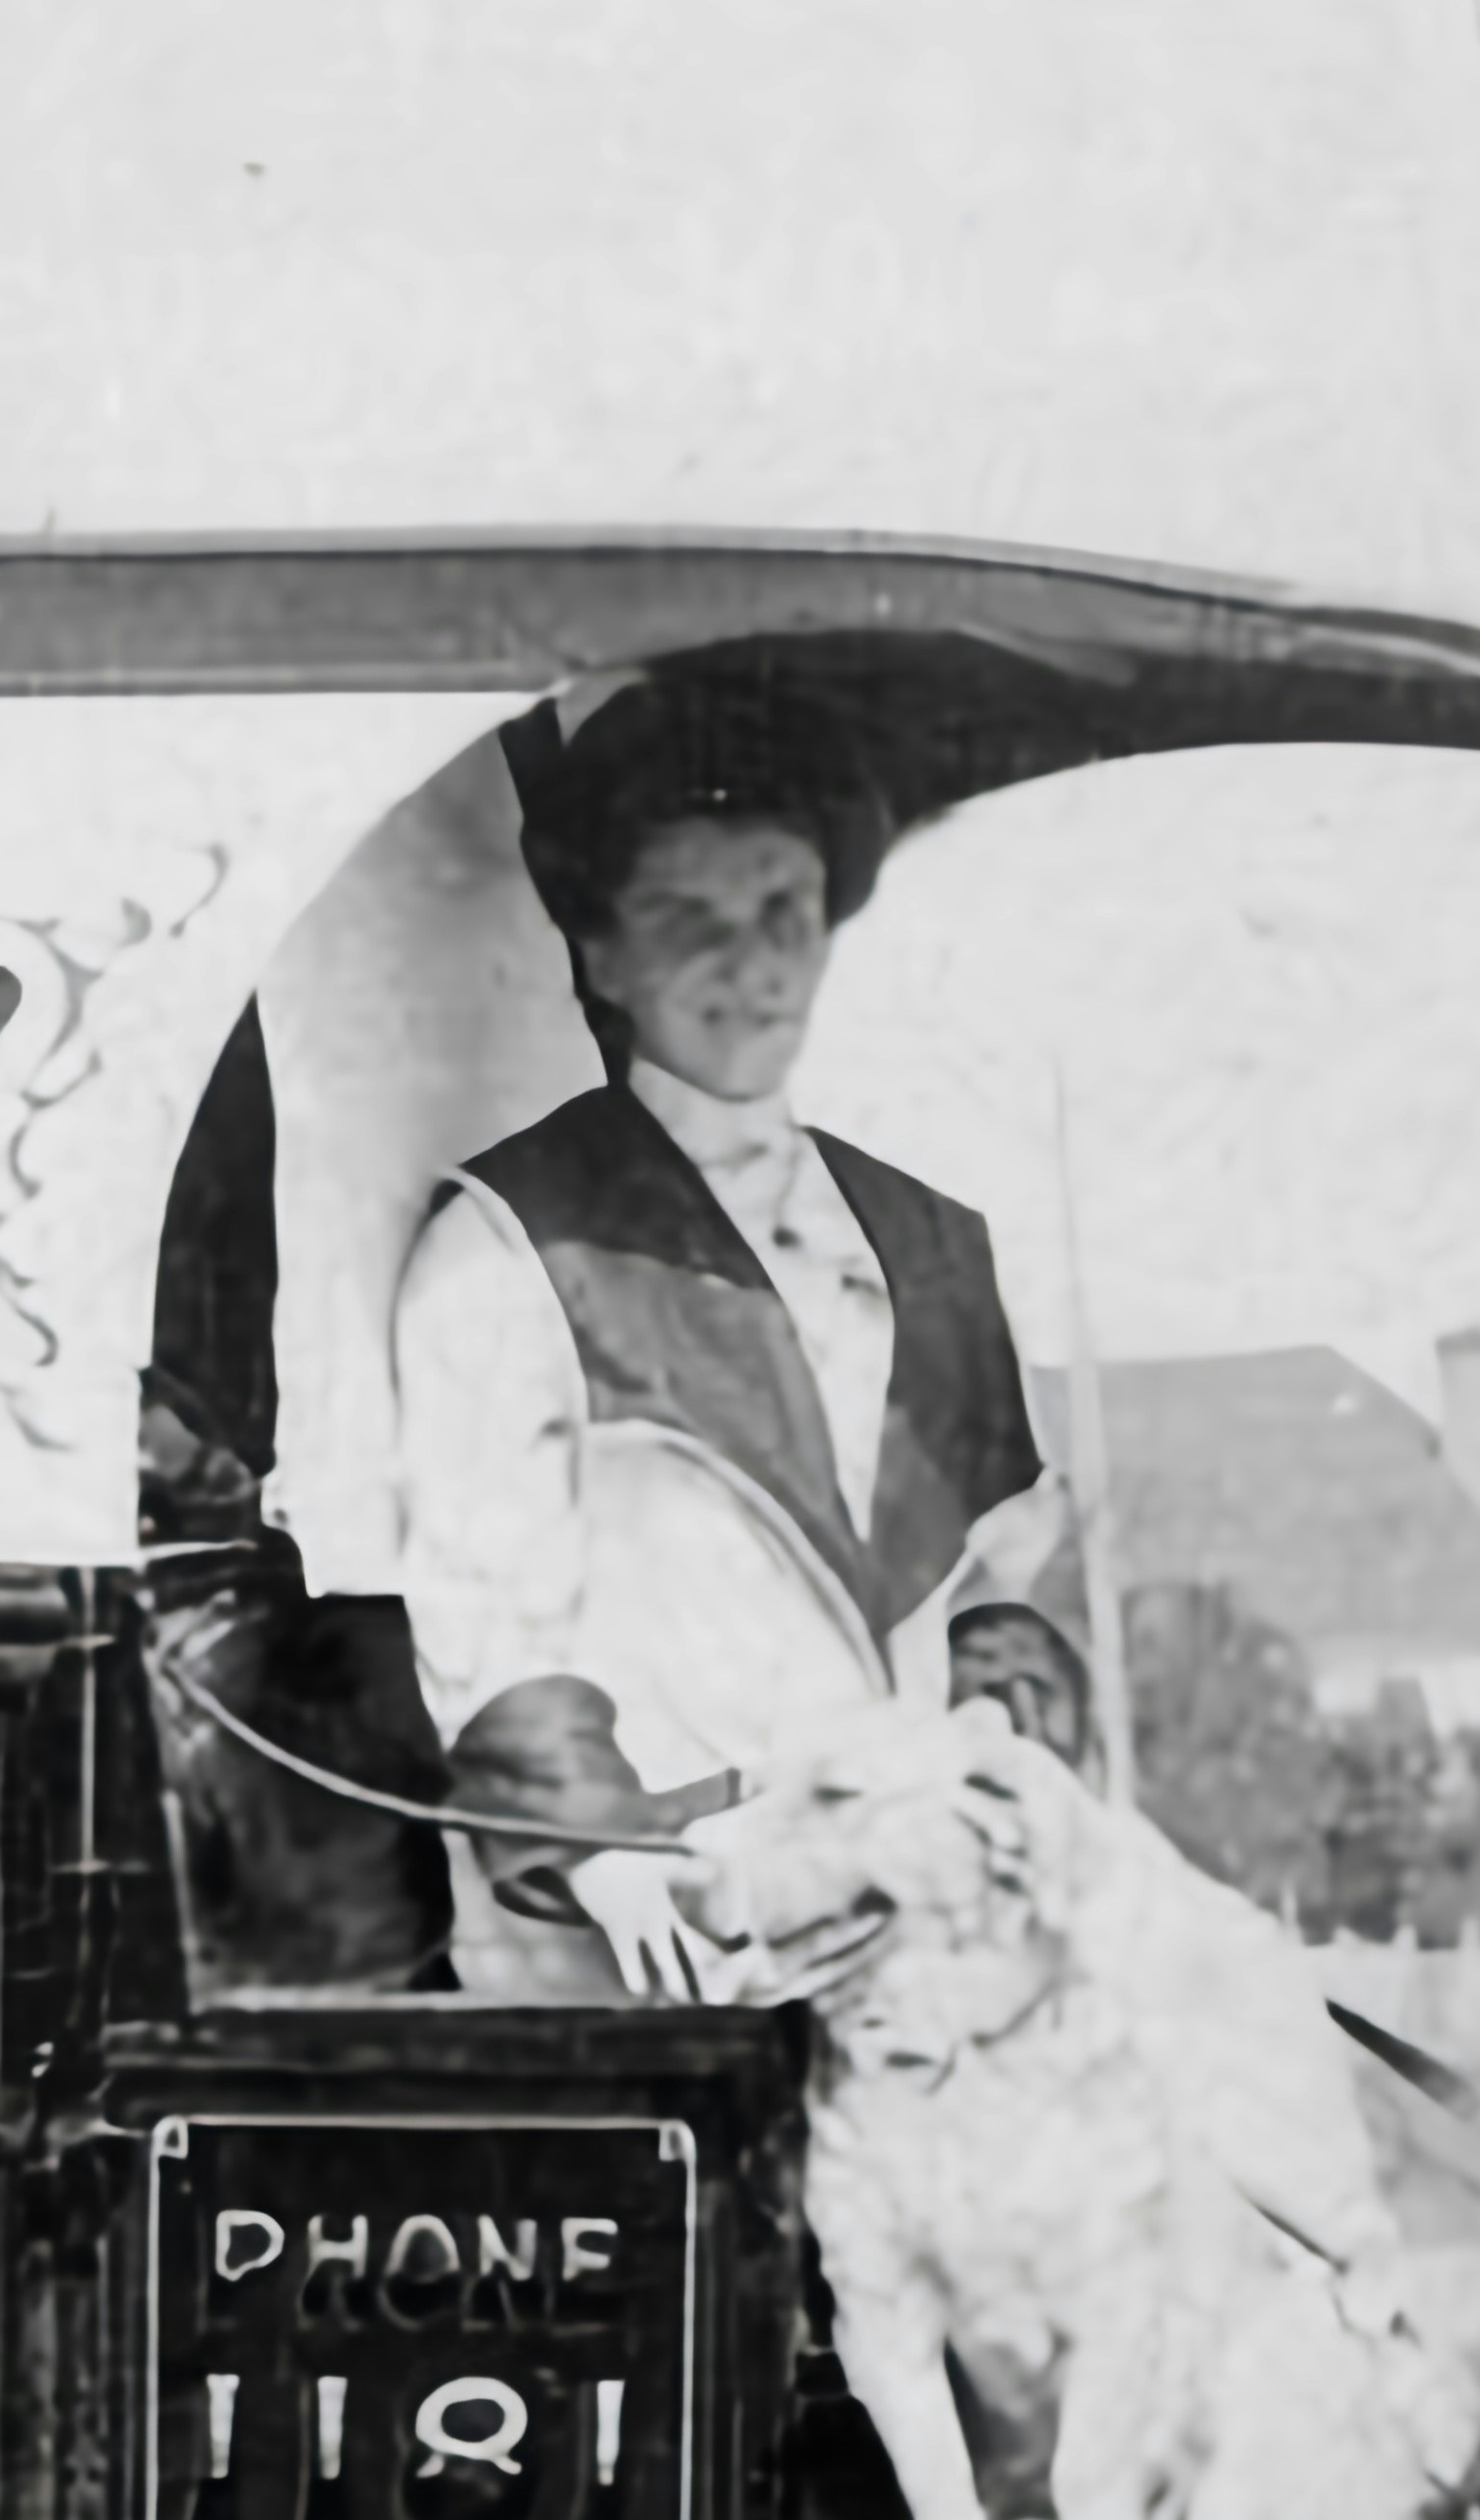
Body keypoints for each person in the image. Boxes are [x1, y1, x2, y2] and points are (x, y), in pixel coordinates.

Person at [377, 689, 1097, 1998]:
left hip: (901, 1930)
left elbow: (998, 1575)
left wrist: (1003, 1744)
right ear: (603, 956)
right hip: (654, 1925)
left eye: (784, 917)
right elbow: (482, 1615)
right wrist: (601, 1849)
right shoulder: (511, 1245)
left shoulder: (932, 1243)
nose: (751, 969)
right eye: (689, 924)